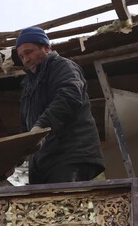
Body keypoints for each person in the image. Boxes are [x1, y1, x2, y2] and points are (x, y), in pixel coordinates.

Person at [15, 26, 104, 184]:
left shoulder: (63, 66)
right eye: (21, 56)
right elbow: (25, 125)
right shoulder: (28, 85)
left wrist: (40, 127)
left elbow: (69, 97)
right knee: (42, 207)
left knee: (66, 207)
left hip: (69, 155)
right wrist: (17, 153)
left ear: (47, 48)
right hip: (42, 163)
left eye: (28, 52)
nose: (25, 60)